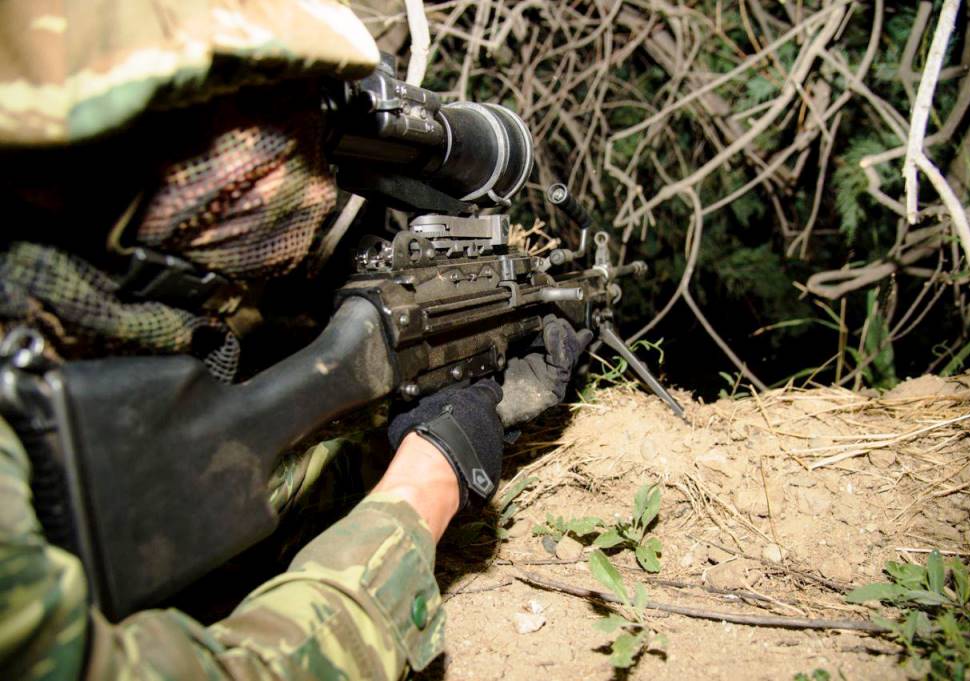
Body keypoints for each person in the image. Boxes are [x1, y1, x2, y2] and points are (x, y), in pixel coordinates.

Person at [0, 1, 592, 679]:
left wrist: (413, 416)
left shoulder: (83, 326)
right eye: (262, 151)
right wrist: (429, 479)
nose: (313, 190)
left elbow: (227, 479)